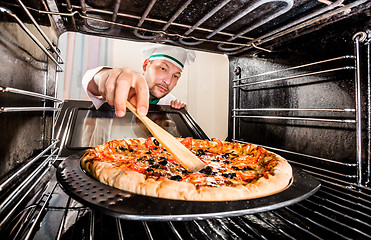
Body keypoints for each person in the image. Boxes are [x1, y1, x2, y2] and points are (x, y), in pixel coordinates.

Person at [82, 44, 196, 117]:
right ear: (146, 65)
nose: (168, 81)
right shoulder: (122, 85)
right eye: (163, 68)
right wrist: (104, 77)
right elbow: (91, 80)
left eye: (175, 76)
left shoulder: (171, 105)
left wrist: (181, 116)